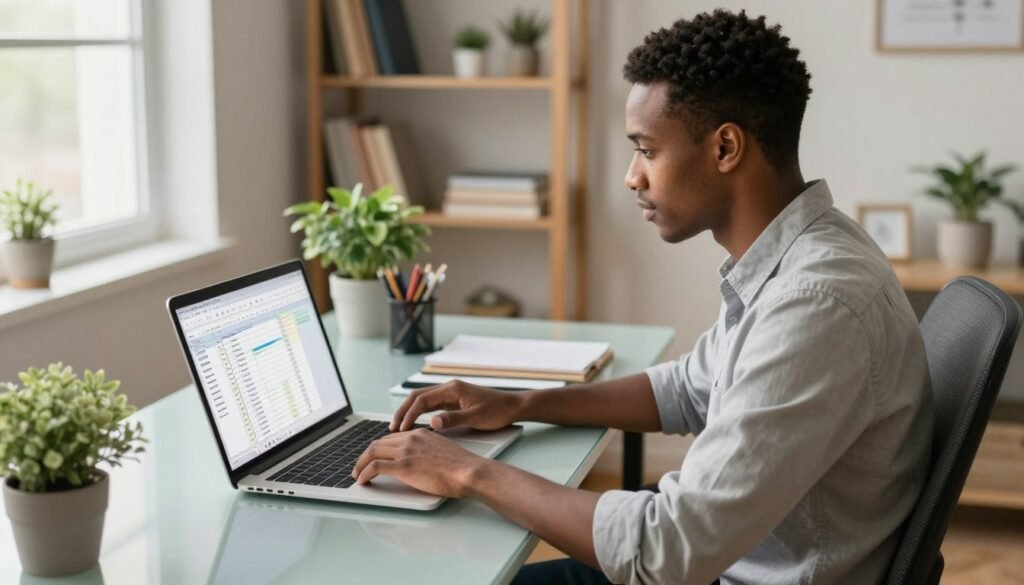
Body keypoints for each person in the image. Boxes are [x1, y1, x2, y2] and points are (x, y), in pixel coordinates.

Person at [352, 9, 932, 585]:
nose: (632, 176)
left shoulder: (814, 302)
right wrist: (521, 403)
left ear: (726, 147)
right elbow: (686, 390)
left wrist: (466, 474)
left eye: (647, 150)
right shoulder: (805, 254)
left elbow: (665, 552)